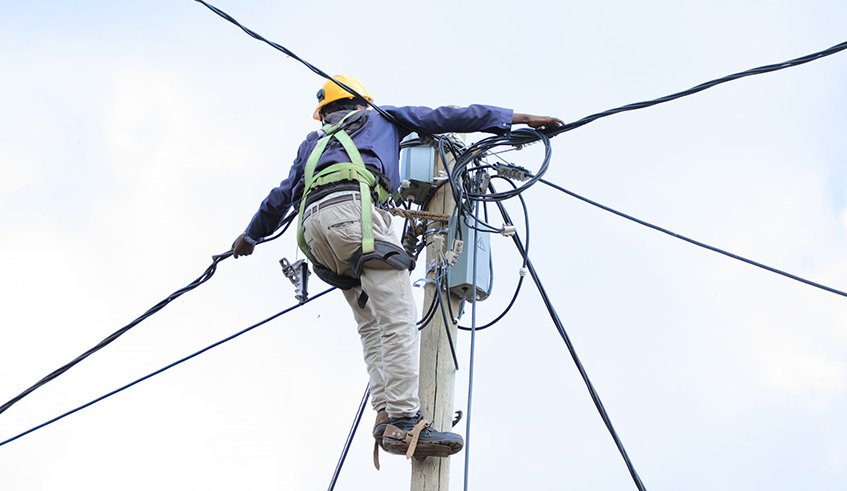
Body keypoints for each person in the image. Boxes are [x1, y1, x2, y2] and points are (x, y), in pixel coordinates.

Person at [231, 75, 562, 462]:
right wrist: (521, 118)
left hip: (314, 235)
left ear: (326, 112)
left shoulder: (313, 143)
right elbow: (449, 116)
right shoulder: (384, 118)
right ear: (362, 103)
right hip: (355, 216)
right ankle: (405, 421)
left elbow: (279, 198)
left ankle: (385, 411)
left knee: (371, 323)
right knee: (399, 318)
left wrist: (249, 237)